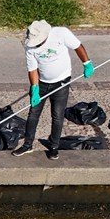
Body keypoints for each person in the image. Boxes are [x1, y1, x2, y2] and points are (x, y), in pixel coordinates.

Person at [12, 19, 92, 160]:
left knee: (57, 116)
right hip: (41, 83)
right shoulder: (30, 47)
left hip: (61, 82)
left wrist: (86, 63)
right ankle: (27, 144)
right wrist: (35, 88)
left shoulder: (61, 33)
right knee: (33, 114)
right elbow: (32, 69)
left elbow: (78, 46)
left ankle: (54, 146)